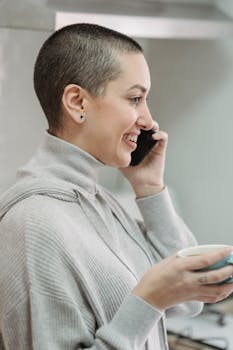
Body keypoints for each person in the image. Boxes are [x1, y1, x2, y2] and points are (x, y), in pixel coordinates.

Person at [0, 23, 233, 350]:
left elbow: (189, 301)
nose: (149, 120)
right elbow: (154, 301)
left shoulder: (100, 203)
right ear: (77, 102)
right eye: (135, 98)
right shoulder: (33, 224)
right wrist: (149, 299)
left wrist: (150, 188)